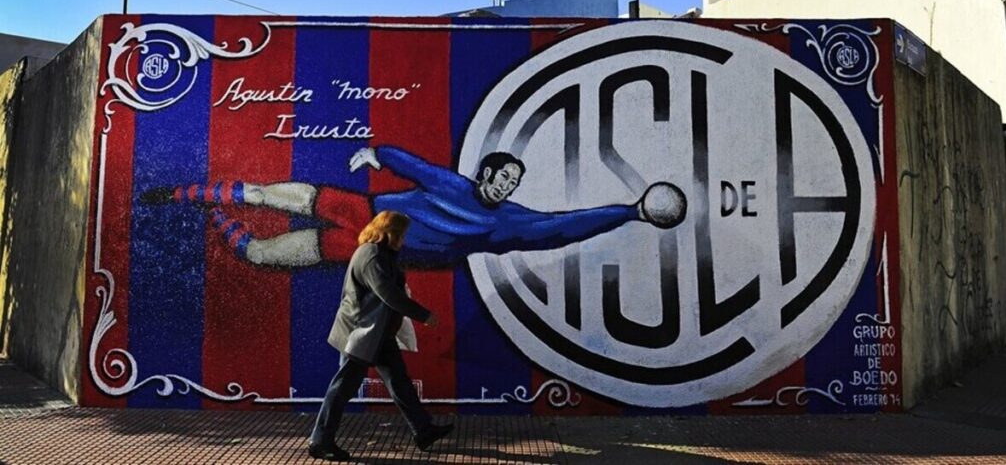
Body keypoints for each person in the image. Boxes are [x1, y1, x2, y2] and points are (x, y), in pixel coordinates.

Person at [141, 145, 687, 268]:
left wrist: (630, 211)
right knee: (261, 193)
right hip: (356, 207)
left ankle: (212, 217)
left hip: (360, 246)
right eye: (501, 175)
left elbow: (564, 227)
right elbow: (413, 166)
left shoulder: (509, 225)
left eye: (513, 181)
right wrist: (375, 152)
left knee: (259, 254)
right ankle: (181, 196)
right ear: (486, 173)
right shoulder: (451, 184)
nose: (504, 185)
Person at [307, 211, 453, 461]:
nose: (404, 240)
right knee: (343, 387)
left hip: (378, 334)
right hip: (361, 334)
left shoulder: (381, 254)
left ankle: (424, 430)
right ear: (390, 233)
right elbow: (388, 294)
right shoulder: (372, 255)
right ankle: (320, 441)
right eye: (401, 234)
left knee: (399, 382)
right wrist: (424, 315)